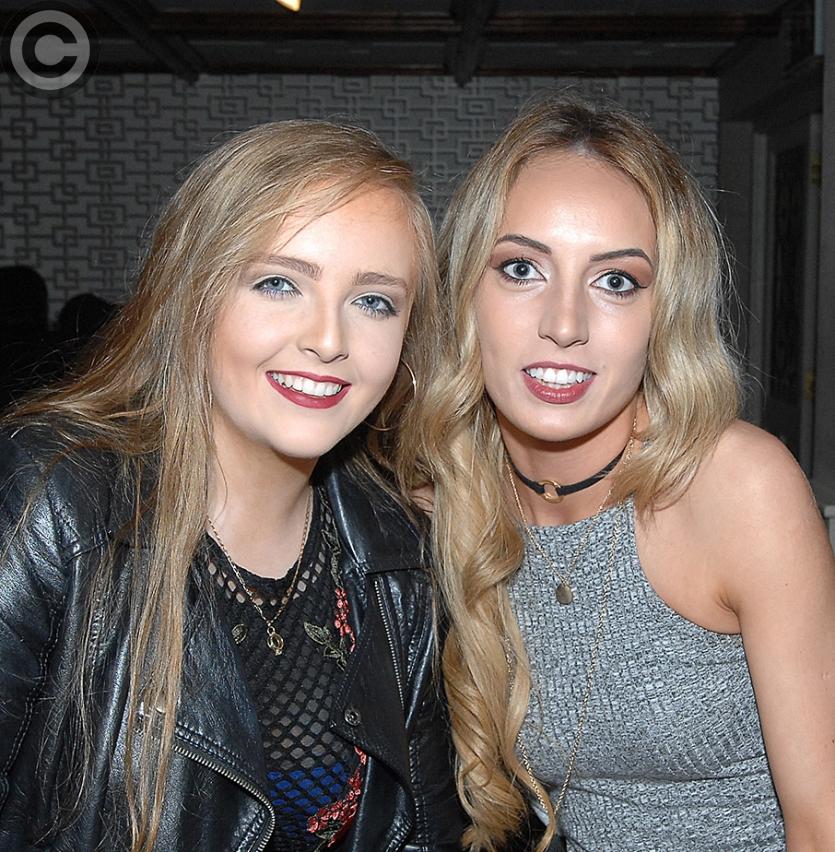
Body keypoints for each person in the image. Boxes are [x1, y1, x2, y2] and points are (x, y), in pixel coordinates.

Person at [0, 121, 464, 851]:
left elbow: (427, 829)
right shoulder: (53, 498)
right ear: (193, 294)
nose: (329, 339)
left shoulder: (398, 550)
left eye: (374, 301)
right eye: (279, 283)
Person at [403, 96, 835, 851]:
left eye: (616, 282)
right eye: (520, 269)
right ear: (466, 290)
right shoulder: (452, 499)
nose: (564, 324)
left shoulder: (737, 488)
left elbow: (822, 823)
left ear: (664, 313)